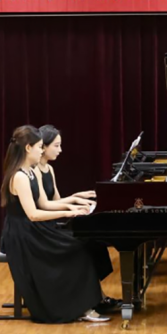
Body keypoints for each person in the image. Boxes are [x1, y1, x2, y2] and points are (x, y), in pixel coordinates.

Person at [0, 125, 111, 323]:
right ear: (28, 148)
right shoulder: (19, 177)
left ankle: (88, 301)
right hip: (23, 235)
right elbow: (33, 214)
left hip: (33, 230)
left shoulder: (30, 172)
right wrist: (69, 211)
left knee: (81, 243)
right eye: (39, 147)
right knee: (77, 250)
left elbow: (44, 203)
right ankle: (81, 306)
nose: (41, 151)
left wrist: (74, 205)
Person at [37, 124, 120, 314]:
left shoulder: (48, 169)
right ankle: (88, 300)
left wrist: (76, 197)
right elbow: (44, 205)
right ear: (43, 146)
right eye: (56, 146)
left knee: (93, 242)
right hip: (44, 227)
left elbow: (56, 200)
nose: (60, 150)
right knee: (81, 247)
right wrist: (73, 206)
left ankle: (97, 296)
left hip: (52, 222)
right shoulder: (34, 171)